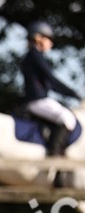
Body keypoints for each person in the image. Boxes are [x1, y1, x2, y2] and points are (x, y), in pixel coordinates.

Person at [20, 21, 81, 155]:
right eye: (49, 39)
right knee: (67, 118)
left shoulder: (34, 56)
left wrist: (72, 94)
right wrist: (74, 94)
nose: (51, 44)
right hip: (37, 100)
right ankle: (54, 156)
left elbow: (51, 84)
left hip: (36, 100)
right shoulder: (35, 56)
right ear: (38, 38)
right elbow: (51, 79)